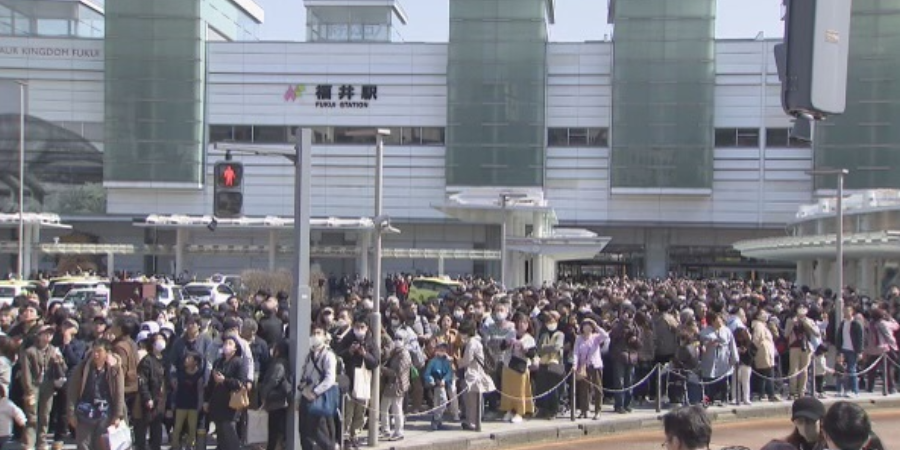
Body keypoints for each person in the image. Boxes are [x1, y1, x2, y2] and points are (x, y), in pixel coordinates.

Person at [66, 339, 127, 450]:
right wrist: (71, 413)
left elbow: (119, 393)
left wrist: (117, 415)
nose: (96, 354)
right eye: (94, 351)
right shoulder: (84, 367)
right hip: (84, 413)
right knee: (83, 445)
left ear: (107, 353)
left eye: (99, 351)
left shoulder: (115, 369)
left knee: (102, 445)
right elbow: (72, 391)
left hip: (105, 414)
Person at [21, 324, 66, 450]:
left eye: (50, 334)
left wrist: (60, 362)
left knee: (45, 414)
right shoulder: (30, 351)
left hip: (49, 385)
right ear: (39, 335)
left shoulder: (54, 350)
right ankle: (29, 442)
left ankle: (42, 441)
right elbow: (26, 373)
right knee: (32, 416)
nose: (48, 336)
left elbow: (63, 370)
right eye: (45, 333)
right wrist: (28, 390)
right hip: (34, 385)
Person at [336, 316, 377, 448]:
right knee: (348, 411)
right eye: (357, 327)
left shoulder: (371, 342)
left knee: (360, 412)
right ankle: (346, 436)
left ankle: (355, 436)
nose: (359, 330)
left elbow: (375, 362)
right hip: (349, 380)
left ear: (367, 328)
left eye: (362, 327)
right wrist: (350, 351)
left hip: (363, 381)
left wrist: (365, 354)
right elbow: (338, 356)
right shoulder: (347, 339)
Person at [204, 336, 249, 450]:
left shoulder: (239, 362)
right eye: (225, 343)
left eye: (230, 343)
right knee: (221, 435)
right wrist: (206, 400)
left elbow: (240, 383)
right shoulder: (218, 362)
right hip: (217, 403)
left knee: (229, 433)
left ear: (235, 348)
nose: (226, 346)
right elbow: (210, 383)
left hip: (231, 404)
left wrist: (225, 380)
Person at [298, 325, 337, 450]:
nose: (315, 336)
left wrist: (315, 392)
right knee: (304, 433)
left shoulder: (328, 355)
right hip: (306, 397)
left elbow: (330, 379)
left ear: (325, 336)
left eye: (319, 333)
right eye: (313, 333)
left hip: (320, 398)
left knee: (321, 434)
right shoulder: (309, 355)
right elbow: (304, 375)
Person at [499, 312, 536, 424]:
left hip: (521, 367)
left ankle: (520, 411)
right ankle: (509, 410)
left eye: (524, 322)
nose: (521, 325)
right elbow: (502, 347)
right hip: (508, 364)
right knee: (507, 389)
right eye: (519, 322)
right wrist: (508, 344)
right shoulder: (511, 333)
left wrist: (525, 349)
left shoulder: (529, 339)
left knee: (520, 391)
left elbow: (532, 354)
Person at [458, 320, 494, 431]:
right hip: (478, 372)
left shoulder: (471, 343)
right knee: (476, 400)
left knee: (471, 401)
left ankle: (472, 423)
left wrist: (458, 362)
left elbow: (467, 360)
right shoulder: (478, 341)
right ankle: (475, 422)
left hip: (473, 374)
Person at [134, 332, 168, 450]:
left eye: (163, 339)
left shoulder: (165, 359)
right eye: (158, 339)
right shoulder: (147, 361)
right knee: (143, 428)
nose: (161, 341)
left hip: (161, 400)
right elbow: (142, 381)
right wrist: (147, 397)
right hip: (150, 400)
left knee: (157, 430)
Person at [573, 317, 607, 420]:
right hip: (584, 366)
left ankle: (598, 410)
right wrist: (575, 365)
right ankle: (584, 410)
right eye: (585, 326)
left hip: (595, 365)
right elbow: (576, 353)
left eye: (589, 326)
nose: (587, 328)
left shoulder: (596, 337)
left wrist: (596, 325)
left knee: (597, 388)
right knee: (584, 389)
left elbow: (605, 336)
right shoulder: (579, 339)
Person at [259, 340, 291, 450]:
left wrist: (264, 394)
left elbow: (274, 380)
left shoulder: (279, 364)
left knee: (274, 430)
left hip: (277, 401)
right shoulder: (279, 362)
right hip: (277, 401)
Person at [761, 397, 826, 450]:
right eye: (800, 422)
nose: (805, 427)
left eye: (809, 421)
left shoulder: (832, 445)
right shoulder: (783, 446)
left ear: (822, 422)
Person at [171, 351, 204, 450]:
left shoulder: (199, 375)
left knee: (192, 428)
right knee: (177, 427)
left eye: (189, 358)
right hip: (181, 403)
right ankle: (175, 445)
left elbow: (200, 391)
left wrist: (200, 404)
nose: (186, 360)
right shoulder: (180, 372)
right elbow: (175, 389)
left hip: (193, 404)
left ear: (196, 362)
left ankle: (190, 445)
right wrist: (172, 402)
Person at [380, 338, 410, 441]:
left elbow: (398, 372)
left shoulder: (404, 354)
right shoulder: (395, 353)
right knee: (384, 406)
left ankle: (399, 431)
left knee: (396, 408)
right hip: (390, 384)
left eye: (400, 339)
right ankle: (385, 429)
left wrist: (383, 369)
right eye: (396, 338)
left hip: (398, 384)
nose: (397, 341)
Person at [422, 342, 454, 430]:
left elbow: (449, 373)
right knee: (437, 403)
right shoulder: (433, 361)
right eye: (441, 349)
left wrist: (444, 380)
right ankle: (437, 420)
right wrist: (432, 380)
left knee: (443, 402)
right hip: (435, 384)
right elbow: (427, 374)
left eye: (444, 350)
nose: (442, 351)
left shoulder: (447, 361)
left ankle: (436, 419)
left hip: (444, 384)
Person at [834, 305, 863, 397]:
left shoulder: (856, 323)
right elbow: (839, 336)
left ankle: (854, 391)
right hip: (843, 348)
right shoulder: (843, 323)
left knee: (852, 370)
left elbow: (860, 338)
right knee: (840, 370)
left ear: (852, 311)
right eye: (844, 311)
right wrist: (838, 349)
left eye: (848, 311)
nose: (846, 313)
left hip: (852, 349)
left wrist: (859, 351)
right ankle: (841, 390)